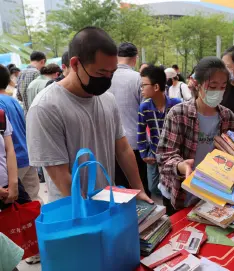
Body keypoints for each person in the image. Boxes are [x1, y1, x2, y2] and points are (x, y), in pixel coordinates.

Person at [26, 26, 152, 204]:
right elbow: (60, 175)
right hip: (74, 213)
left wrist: (138, 189)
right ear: (75, 64)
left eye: (111, 73)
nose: (107, 79)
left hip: (108, 204)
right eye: (101, 72)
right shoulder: (46, 107)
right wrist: (90, 212)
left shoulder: (107, 100)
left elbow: (123, 149)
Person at [157, 57, 234, 214]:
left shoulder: (229, 118)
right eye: (212, 86)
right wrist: (181, 166)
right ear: (198, 84)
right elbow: (164, 156)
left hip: (213, 193)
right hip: (179, 192)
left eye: (222, 87)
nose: (218, 92)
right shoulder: (178, 114)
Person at [108, 42, 150, 196]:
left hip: (109, 143)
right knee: (139, 189)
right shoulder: (139, 79)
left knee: (118, 191)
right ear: (135, 58)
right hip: (135, 143)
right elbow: (147, 112)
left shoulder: (106, 76)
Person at [0, 65, 42, 204]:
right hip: (26, 155)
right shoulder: (11, 100)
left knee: (14, 207)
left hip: (12, 163)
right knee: (33, 203)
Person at [137, 65, 181, 196]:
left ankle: (169, 208)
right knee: (153, 187)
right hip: (154, 154)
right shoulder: (144, 107)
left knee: (173, 185)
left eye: (144, 85)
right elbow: (140, 132)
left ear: (156, 87)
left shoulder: (176, 104)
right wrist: (144, 154)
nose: (141, 89)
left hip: (173, 155)